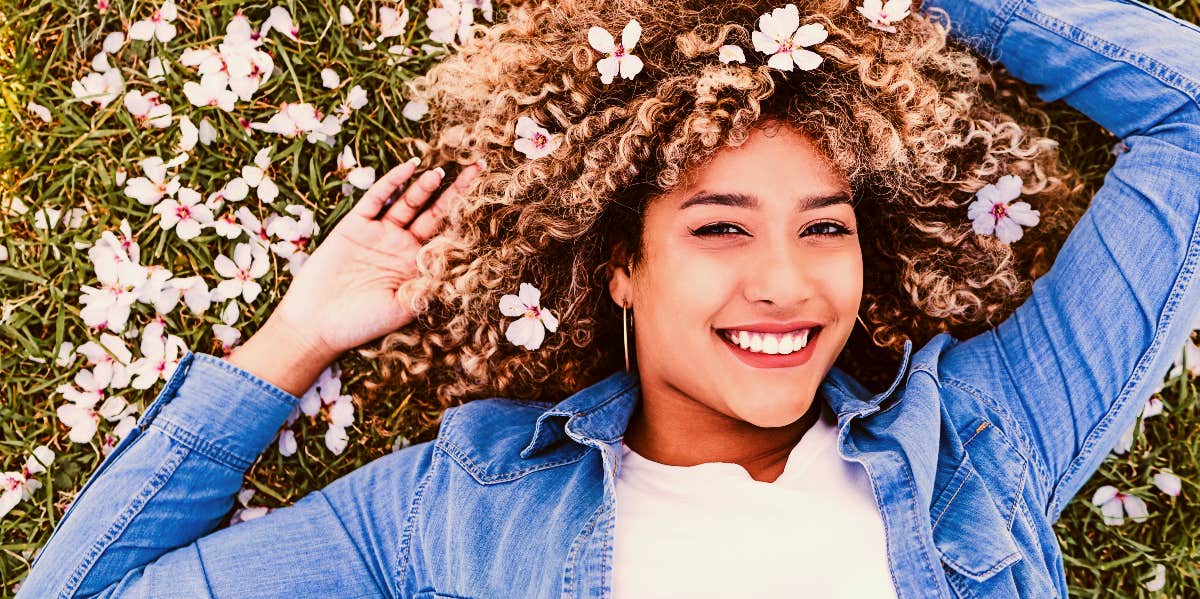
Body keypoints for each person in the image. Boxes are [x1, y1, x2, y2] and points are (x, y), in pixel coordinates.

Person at [19, 0, 1200, 596]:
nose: (785, 282)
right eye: (719, 225)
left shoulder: (986, 445)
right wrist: (293, 339)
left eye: (825, 228)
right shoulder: (453, 508)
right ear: (618, 263)